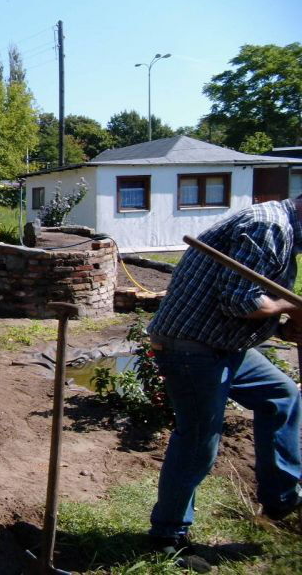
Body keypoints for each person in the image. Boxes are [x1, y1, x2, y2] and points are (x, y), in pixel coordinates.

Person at [146, 199, 302, 571]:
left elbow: (243, 302)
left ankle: (282, 498)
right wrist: (291, 307)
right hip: (190, 347)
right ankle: (167, 537)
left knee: (280, 394)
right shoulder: (269, 226)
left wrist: (284, 327)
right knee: (199, 440)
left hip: (225, 346)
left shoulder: (282, 229)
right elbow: (239, 301)